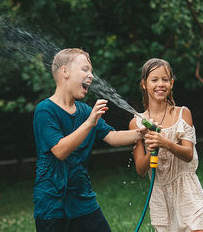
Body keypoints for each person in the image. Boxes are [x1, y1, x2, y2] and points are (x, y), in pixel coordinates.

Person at [33, 48, 146, 232]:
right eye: (85, 69)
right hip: (52, 204)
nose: (91, 76)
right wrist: (90, 122)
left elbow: (112, 136)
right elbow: (60, 150)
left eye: (91, 71)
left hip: (82, 199)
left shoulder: (85, 111)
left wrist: (142, 133)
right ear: (65, 72)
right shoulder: (45, 110)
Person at [130, 58, 203, 232]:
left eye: (165, 79)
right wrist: (152, 150)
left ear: (171, 83)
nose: (160, 84)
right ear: (144, 84)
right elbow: (141, 170)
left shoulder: (182, 113)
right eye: (154, 80)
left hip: (186, 190)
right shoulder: (136, 123)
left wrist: (166, 143)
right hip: (160, 195)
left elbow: (188, 154)